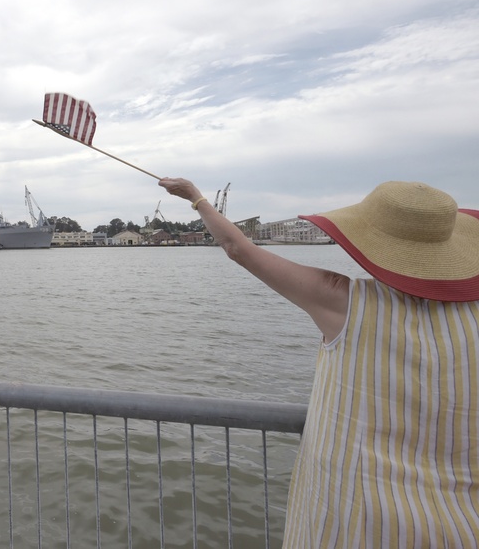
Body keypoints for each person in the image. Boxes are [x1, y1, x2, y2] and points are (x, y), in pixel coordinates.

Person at [159, 177, 479, 547]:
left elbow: (238, 248)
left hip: (357, 521)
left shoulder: (344, 302)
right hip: (461, 523)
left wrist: (197, 198)